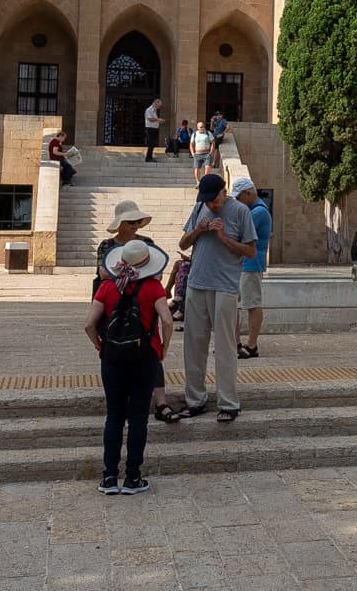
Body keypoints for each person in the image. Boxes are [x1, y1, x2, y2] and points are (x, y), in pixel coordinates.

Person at [84, 238, 173, 495]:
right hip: (144, 356)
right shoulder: (154, 287)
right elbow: (167, 320)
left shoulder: (107, 287)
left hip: (112, 356)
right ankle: (133, 477)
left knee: (114, 416)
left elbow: (89, 324)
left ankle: (109, 477)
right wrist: (163, 347)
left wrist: (101, 346)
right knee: (137, 418)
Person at [177, 173, 255, 421]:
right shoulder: (200, 207)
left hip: (225, 286)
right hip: (197, 284)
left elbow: (251, 252)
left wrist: (223, 238)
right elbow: (183, 243)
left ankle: (229, 403)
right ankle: (195, 400)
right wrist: (199, 230)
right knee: (193, 345)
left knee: (225, 346)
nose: (212, 205)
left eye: (215, 200)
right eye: (208, 201)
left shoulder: (241, 211)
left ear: (224, 192)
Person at [95, 201, 181, 423]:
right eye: (131, 221)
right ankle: (120, 400)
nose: (135, 225)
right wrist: (139, 274)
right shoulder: (106, 245)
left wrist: (124, 274)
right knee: (117, 350)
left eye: (137, 221)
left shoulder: (146, 243)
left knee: (151, 350)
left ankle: (160, 402)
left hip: (142, 306)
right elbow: (102, 273)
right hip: (113, 308)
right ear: (121, 223)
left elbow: (158, 274)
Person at [232, 178, 272, 359]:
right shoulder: (252, 210)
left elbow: (240, 233)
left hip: (251, 264)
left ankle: (251, 344)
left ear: (248, 194)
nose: (237, 202)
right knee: (233, 304)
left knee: (252, 304)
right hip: (243, 264)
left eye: (239, 197)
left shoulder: (258, 212)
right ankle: (235, 342)